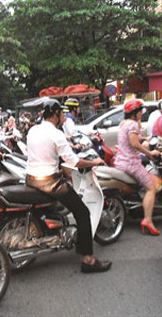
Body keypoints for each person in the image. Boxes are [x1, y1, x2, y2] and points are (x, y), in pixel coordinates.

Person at [26, 99, 111, 273]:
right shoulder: (56, 134)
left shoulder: (33, 130)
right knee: (82, 212)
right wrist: (94, 161)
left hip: (30, 179)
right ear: (56, 114)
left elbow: (45, 155)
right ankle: (88, 259)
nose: (64, 116)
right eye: (62, 113)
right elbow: (74, 161)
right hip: (49, 182)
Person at [114, 99, 162, 236]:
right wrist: (150, 153)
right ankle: (147, 220)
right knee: (151, 187)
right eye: (140, 111)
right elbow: (134, 144)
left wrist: (145, 139)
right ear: (135, 112)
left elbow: (132, 139)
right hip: (131, 163)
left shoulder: (125, 123)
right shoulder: (133, 124)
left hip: (121, 161)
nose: (142, 113)